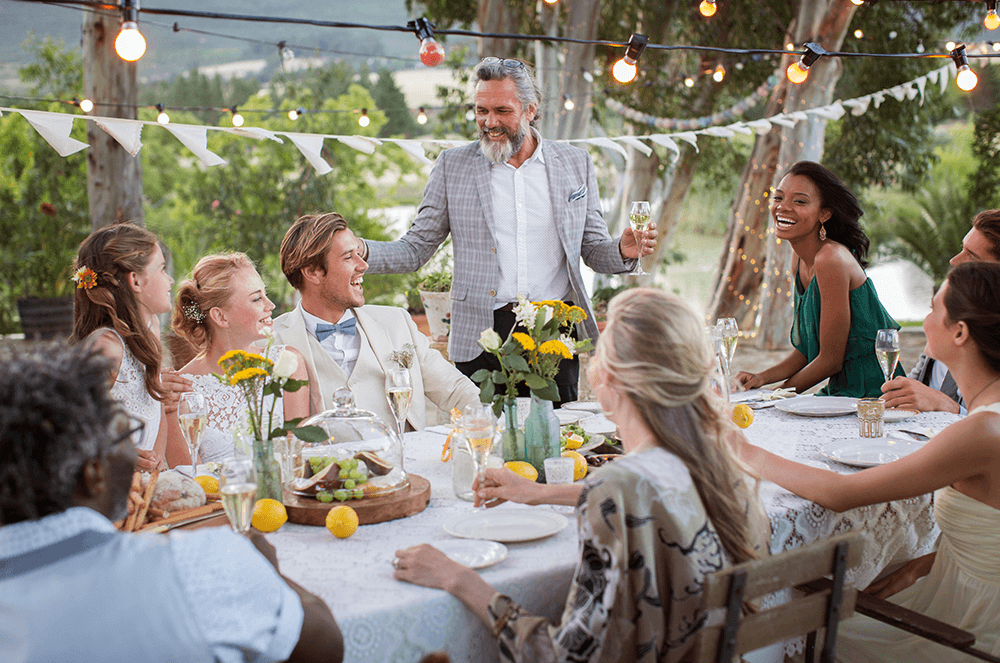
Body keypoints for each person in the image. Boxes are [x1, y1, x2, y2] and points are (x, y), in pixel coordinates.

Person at [392, 288, 768, 662]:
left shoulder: (616, 490)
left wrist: (458, 579)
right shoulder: (715, 459)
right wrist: (539, 493)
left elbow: (563, 658)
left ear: (611, 379)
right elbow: (643, 492)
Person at [0, 343, 343, 663]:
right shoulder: (196, 566)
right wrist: (267, 566)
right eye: (126, 435)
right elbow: (325, 644)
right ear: (93, 475)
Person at [733, 261, 1000, 662]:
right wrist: (920, 566)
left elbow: (841, 494)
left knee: (784, 630)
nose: (924, 320)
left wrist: (739, 449)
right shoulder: (984, 421)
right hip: (951, 590)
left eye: (932, 309)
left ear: (959, 332)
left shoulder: (979, 432)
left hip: (970, 628)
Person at [359, 57, 657, 405]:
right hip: (481, 337)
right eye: (481, 110)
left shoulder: (575, 163)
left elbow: (592, 250)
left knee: (557, 443)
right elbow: (416, 248)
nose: (489, 122)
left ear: (530, 110)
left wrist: (623, 251)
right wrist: (359, 251)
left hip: (554, 333)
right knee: (484, 444)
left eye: (502, 110)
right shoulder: (452, 166)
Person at [272, 212, 481, 428]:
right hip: (324, 462)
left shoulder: (396, 322)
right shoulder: (271, 343)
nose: (363, 266)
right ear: (313, 272)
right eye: (348, 257)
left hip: (404, 458)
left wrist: (489, 427)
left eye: (359, 254)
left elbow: (456, 392)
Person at [736, 161, 904, 398]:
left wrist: (774, 396)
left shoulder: (831, 259)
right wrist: (761, 378)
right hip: (841, 392)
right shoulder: (799, 259)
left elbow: (830, 360)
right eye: (779, 198)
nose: (783, 207)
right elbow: (807, 349)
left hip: (874, 395)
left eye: (800, 201)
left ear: (824, 214)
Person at [168, 253, 311, 465]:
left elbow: (298, 454)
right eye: (256, 298)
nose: (270, 305)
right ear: (220, 317)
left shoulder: (287, 363)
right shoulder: (180, 389)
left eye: (265, 294)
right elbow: (190, 479)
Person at [71, 222, 191, 472]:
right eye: (161, 269)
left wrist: (154, 465)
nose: (170, 280)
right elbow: (70, 428)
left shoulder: (150, 329)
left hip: (140, 490)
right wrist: (115, 453)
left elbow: (155, 409)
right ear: (135, 281)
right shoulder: (107, 348)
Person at [881, 209, 1000, 413]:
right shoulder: (947, 324)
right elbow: (916, 386)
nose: (954, 260)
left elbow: (992, 429)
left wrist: (949, 407)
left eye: (971, 256)